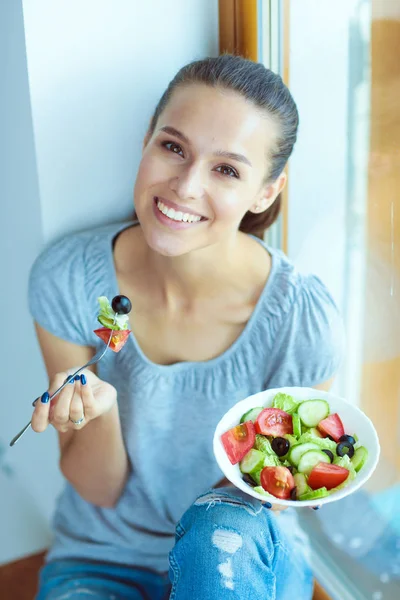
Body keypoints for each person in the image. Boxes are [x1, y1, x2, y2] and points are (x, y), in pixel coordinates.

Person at [29, 54, 344, 599]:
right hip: (105, 557)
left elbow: (269, 493)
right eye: (173, 147)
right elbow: (98, 490)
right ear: (147, 140)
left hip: (242, 553)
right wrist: (99, 416)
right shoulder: (68, 278)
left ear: (267, 191)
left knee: (212, 536)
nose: (185, 186)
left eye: (226, 169)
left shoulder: (301, 320)